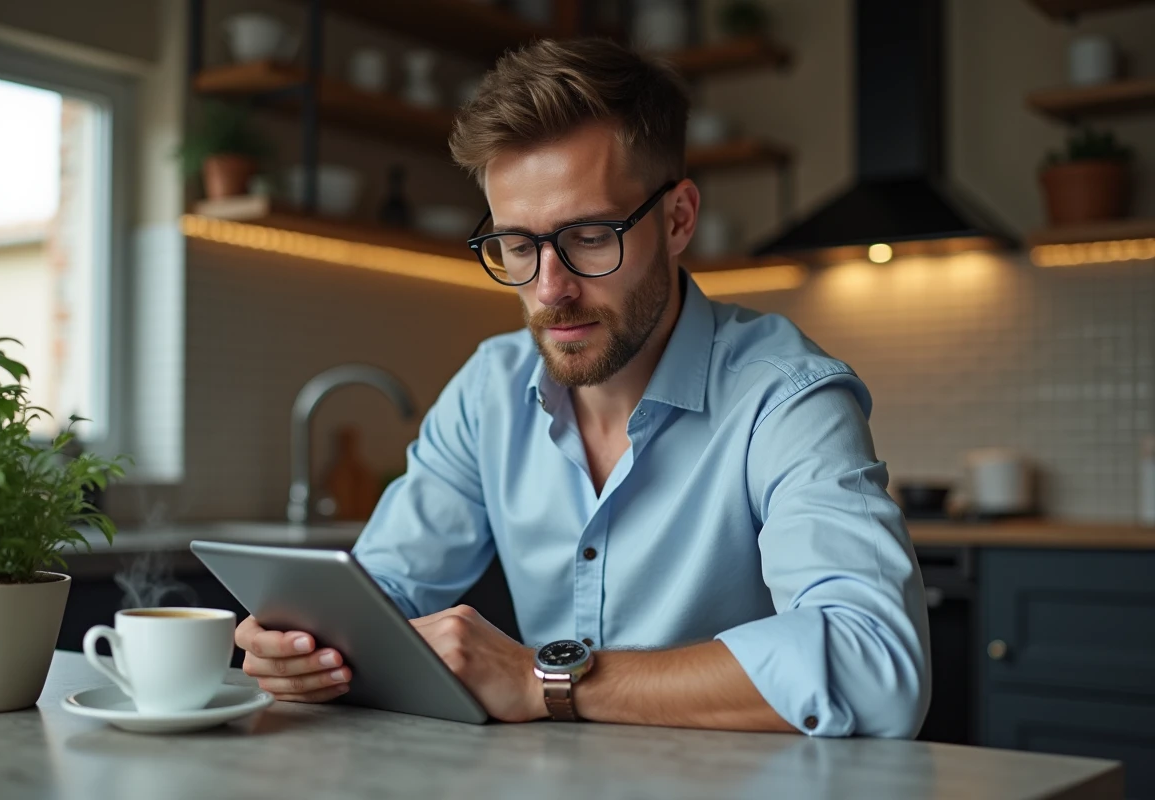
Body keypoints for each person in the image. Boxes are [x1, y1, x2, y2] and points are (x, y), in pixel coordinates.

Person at [235, 38, 930, 738]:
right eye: (516, 244)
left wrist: (544, 679)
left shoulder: (785, 397)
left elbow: (877, 667)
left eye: (591, 236)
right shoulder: (491, 389)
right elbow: (376, 599)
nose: (549, 289)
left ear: (679, 218)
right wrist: (303, 650)